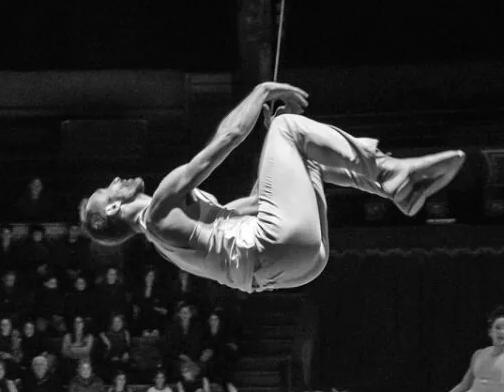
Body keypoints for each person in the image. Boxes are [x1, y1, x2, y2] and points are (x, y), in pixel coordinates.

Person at [79, 81, 465, 294]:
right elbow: (227, 139)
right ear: (113, 210)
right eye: (107, 190)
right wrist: (263, 91)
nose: (115, 182)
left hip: (298, 266)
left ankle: (395, 187)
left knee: (305, 154)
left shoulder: (168, 235)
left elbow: (251, 206)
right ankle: (391, 173)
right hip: (273, 248)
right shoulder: (160, 208)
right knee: (288, 128)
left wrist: (280, 160)